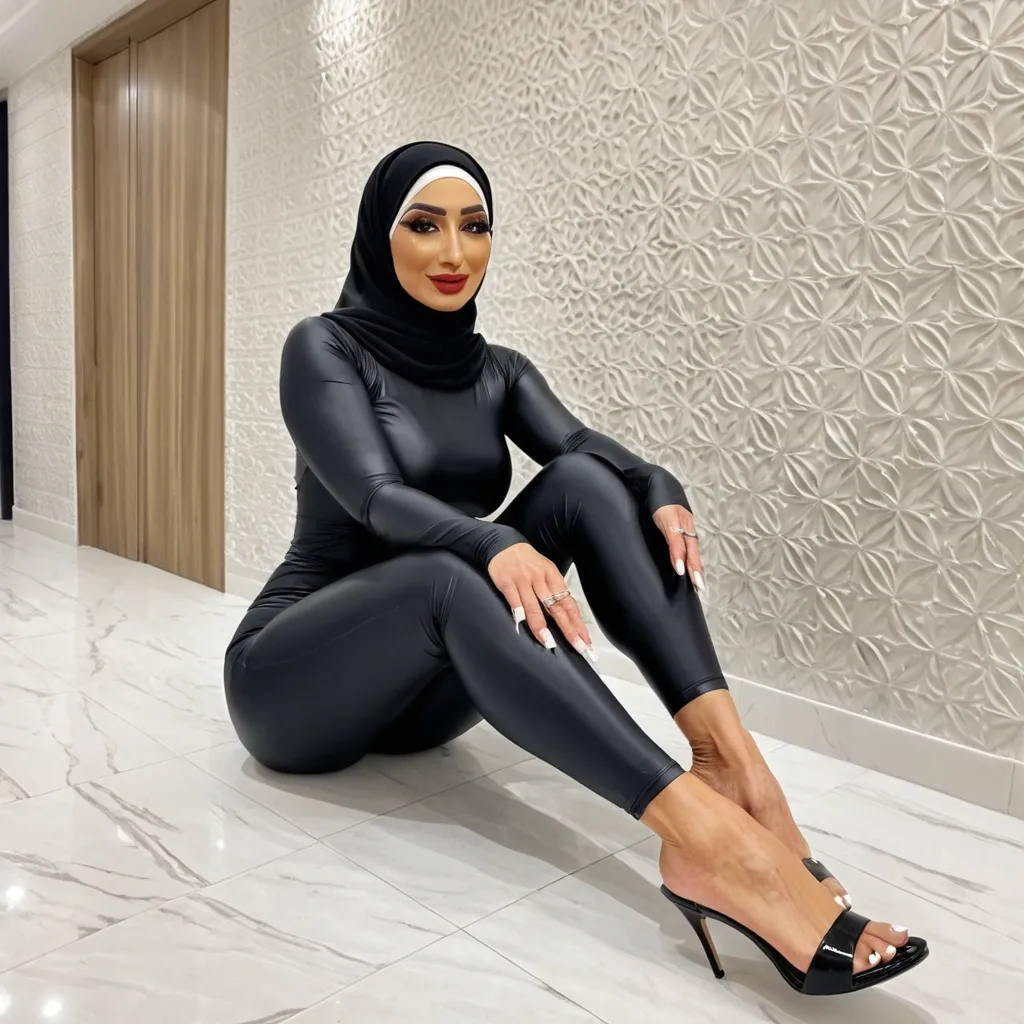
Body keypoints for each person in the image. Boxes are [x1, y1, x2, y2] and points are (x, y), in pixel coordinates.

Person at [224, 142, 927, 995]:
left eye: (476, 227)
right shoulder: (324, 347)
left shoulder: (496, 370)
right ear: (381, 234)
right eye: (425, 225)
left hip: (421, 702)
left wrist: (658, 483)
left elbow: (584, 448)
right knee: (449, 572)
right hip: (293, 685)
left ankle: (731, 762)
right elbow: (375, 498)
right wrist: (494, 542)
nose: (455, 253)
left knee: (588, 484)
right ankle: (708, 840)